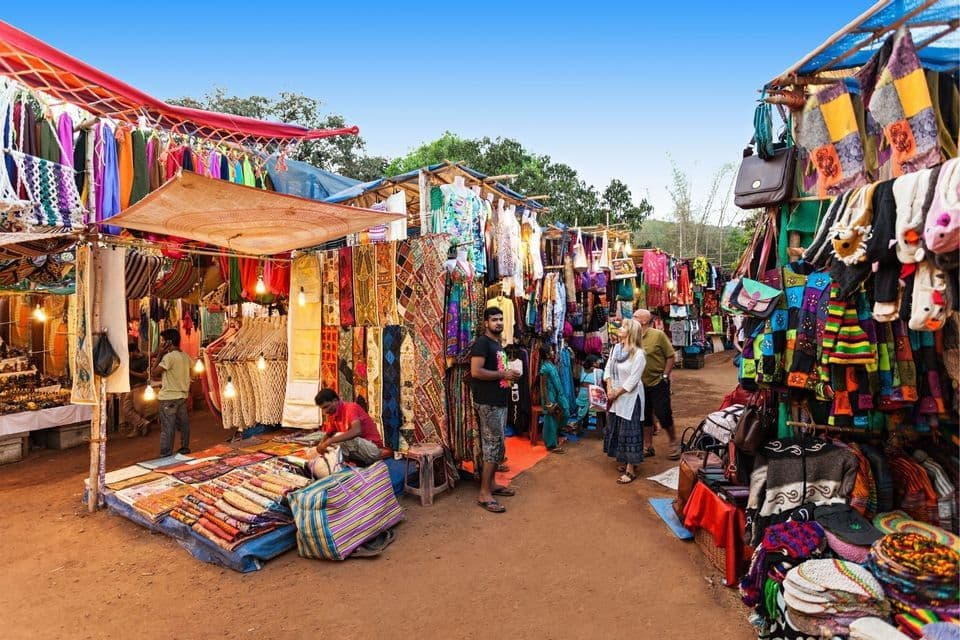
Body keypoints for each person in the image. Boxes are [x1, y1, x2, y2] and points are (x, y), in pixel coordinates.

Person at [470, 306, 521, 513]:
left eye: (501, 319)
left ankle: (490, 485)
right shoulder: (482, 343)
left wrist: (508, 375)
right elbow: (476, 371)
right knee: (492, 446)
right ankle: (484, 494)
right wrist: (504, 375)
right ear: (485, 323)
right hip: (488, 402)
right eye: (494, 319)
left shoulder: (496, 344)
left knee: (498, 445)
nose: (498, 323)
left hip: (499, 401)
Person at [603, 318, 647, 484]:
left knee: (630, 430)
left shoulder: (639, 354)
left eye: (623, 327)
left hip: (630, 397)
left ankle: (631, 468)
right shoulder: (616, 349)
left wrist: (617, 393)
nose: (619, 328)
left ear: (630, 332)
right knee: (617, 426)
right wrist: (609, 388)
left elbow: (633, 380)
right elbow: (608, 368)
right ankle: (621, 459)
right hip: (615, 394)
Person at [633, 309, 679, 460]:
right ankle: (648, 446)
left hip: (658, 381)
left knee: (663, 412)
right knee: (645, 415)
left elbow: (671, 356)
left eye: (635, 317)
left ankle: (673, 442)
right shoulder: (633, 337)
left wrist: (665, 374)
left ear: (644, 320)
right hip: (640, 384)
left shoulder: (657, 335)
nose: (632, 319)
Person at [150, 328, 193, 456]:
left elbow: (154, 373)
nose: (161, 343)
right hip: (181, 396)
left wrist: (159, 355)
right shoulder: (185, 356)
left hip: (168, 397)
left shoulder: (169, 357)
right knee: (184, 424)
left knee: (168, 427)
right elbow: (192, 371)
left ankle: (166, 454)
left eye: (162, 341)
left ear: (168, 342)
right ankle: (184, 447)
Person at [315, 389, 386, 466]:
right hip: (361, 452)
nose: (325, 411)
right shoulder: (333, 415)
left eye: (326, 407)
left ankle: (339, 465)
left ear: (335, 400)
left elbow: (357, 431)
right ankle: (340, 465)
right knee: (330, 442)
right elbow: (329, 434)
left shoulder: (351, 408)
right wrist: (320, 444)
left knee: (338, 438)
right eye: (322, 408)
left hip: (373, 450)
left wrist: (330, 441)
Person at [538, 344, 568, 454]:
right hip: (549, 397)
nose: (553, 352)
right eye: (551, 350)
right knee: (550, 420)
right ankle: (551, 445)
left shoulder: (550, 364)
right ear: (546, 354)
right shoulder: (544, 368)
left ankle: (555, 435)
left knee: (565, 413)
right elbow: (543, 386)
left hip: (557, 394)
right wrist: (547, 402)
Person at [121, 341, 153, 438]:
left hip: (140, 387)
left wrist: (130, 372)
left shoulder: (143, 361)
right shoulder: (129, 360)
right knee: (126, 409)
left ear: (134, 351)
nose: (129, 355)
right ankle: (143, 423)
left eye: (130, 353)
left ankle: (138, 430)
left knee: (138, 410)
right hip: (131, 388)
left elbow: (145, 376)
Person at [575, 354, 605, 434]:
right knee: (599, 411)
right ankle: (599, 432)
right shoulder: (600, 371)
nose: (599, 362)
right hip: (594, 393)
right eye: (598, 361)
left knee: (581, 412)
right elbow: (604, 380)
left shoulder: (583, 369)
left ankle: (578, 429)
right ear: (594, 363)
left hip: (583, 392)